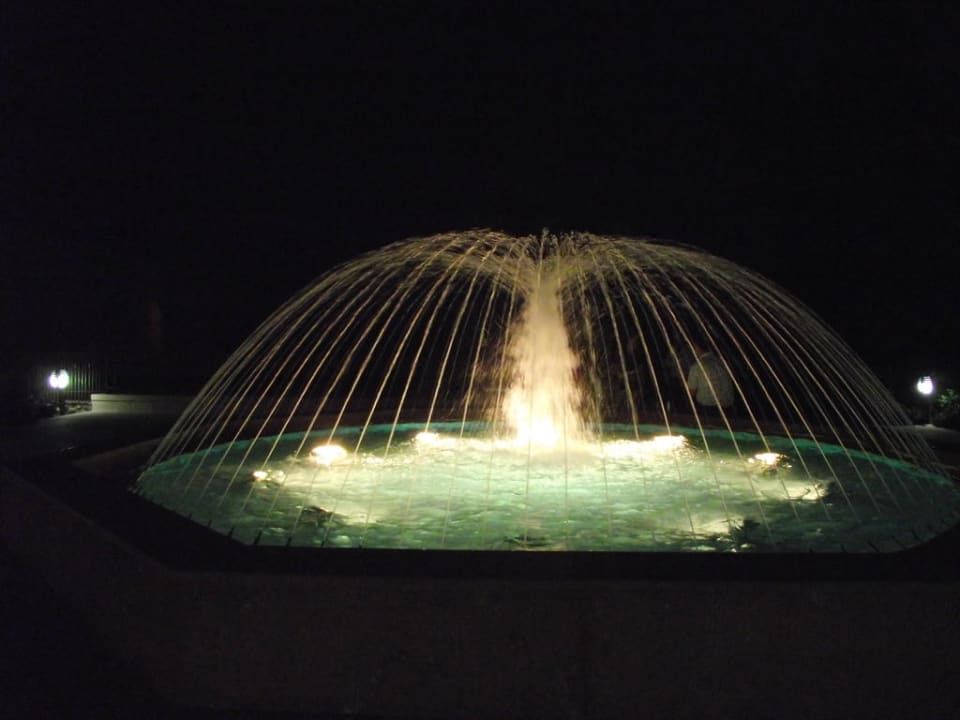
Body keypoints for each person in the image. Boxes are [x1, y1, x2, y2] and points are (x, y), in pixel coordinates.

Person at [685, 343, 734, 422]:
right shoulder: (722, 362)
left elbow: (691, 392)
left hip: (707, 409)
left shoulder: (697, 366)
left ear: (697, 348)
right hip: (728, 407)